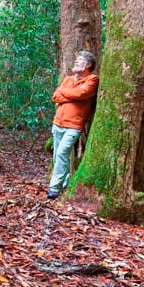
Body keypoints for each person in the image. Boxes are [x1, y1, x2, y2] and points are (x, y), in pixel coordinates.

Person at [47, 51, 99, 199]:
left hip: (74, 125)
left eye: (80, 61)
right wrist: (70, 93)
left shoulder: (92, 79)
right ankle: (64, 182)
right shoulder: (68, 79)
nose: (76, 62)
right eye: (76, 60)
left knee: (62, 153)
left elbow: (82, 94)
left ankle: (54, 188)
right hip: (58, 123)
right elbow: (55, 96)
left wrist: (65, 93)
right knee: (58, 156)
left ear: (88, 65)